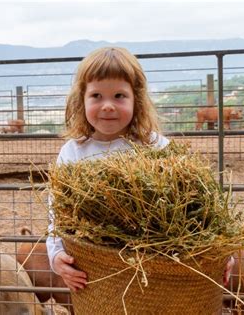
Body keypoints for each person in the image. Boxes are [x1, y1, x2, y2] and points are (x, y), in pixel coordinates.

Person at [46, 47, 170, 292]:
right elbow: (56, 213)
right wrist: (56, 255)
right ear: (82, 99)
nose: (108, 106)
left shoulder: (155, 147)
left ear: (137, 99)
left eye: (119, 96)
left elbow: (194, 205)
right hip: (93, 271)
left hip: (150, 265)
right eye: (96, 96)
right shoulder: (73, 152)